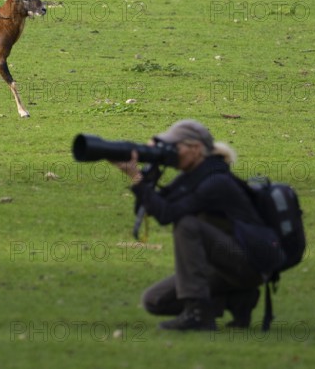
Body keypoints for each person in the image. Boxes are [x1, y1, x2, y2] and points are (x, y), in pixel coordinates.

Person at [113, 119, 282, 331]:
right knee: (154, 300)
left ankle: (198, 315)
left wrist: (136, 177)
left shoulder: (215, 180)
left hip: (250, 262)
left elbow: (168, 214)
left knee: (186, 225)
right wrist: (150, 170)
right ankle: (236, 298)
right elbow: (151, 207)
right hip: (224, 264)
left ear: (196, 148)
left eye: (175, 147)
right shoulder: (192, 177)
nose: (171, 152)